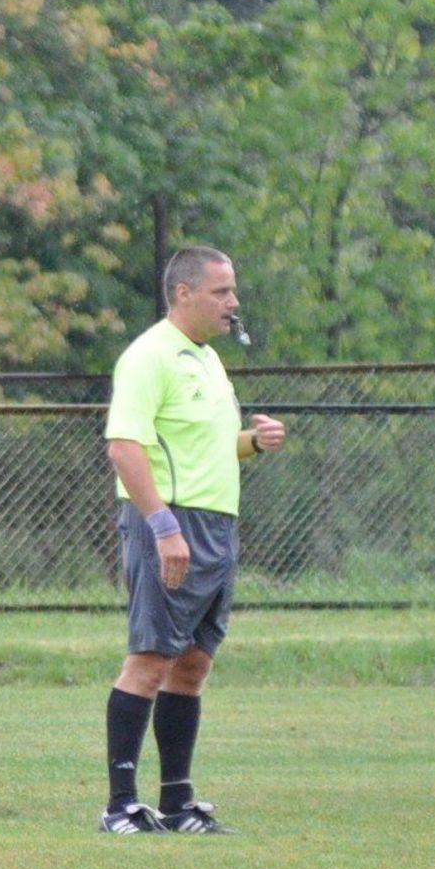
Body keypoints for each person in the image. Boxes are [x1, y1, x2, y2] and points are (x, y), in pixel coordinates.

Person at [99, 246, 285, 834]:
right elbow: (124, 448)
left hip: (216, 524)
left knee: (193, 664)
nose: (233, 303)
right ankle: (120, 806)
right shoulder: (148, 356)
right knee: (150, 659)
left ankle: (177, 805)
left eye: (233, 292)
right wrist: (164, 527)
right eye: (221, 292)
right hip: (170, 524)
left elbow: (206, 447)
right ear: (184, 293)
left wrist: (253, 442)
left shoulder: (206, 360)